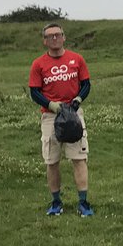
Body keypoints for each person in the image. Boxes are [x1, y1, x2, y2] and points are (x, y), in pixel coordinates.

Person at [28, 22, 93, 216]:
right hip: (50, 116)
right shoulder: (38, 64)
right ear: (44, 41)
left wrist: (78, 99)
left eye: (58, 34)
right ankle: (56, 203)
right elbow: (34, 91)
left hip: (73, 114)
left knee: (79, 158)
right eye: (50, 36)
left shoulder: (77, 59)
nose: (54, 38)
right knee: (52, 161)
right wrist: (51, 105)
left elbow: (86, 84)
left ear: (64, 37)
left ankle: (83, 203)